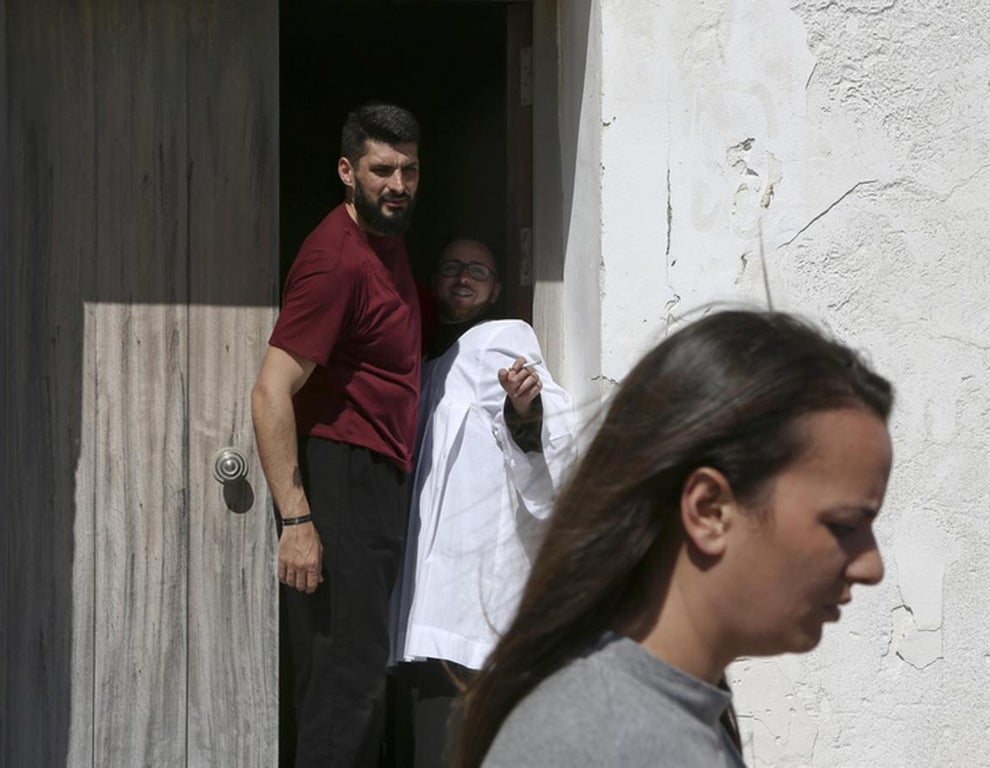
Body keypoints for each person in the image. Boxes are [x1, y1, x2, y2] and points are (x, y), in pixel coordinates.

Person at [454, 310, 894, 768]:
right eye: (844, 525)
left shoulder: (658, 720)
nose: (872, 566)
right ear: (709, 510)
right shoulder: (605, 739)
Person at [251, 103, 422, 767]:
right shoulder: (337, 262)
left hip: (376, 482)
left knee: (360, 682)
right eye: (382, 169)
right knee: (342, 687)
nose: (397, 184)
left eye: (409, 169)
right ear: (347, 171)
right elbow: (270, 392)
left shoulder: (386, 238)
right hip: (341, 479)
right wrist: (297, 518)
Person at [389, 239, 577, 767]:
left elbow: (550, 428)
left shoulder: (501, 339)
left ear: (497, 289)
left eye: (478, 270)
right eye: (452, 267)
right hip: (430, 599)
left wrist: (525, 408)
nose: (464, 276)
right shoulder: (429, 362)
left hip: (469, 601)